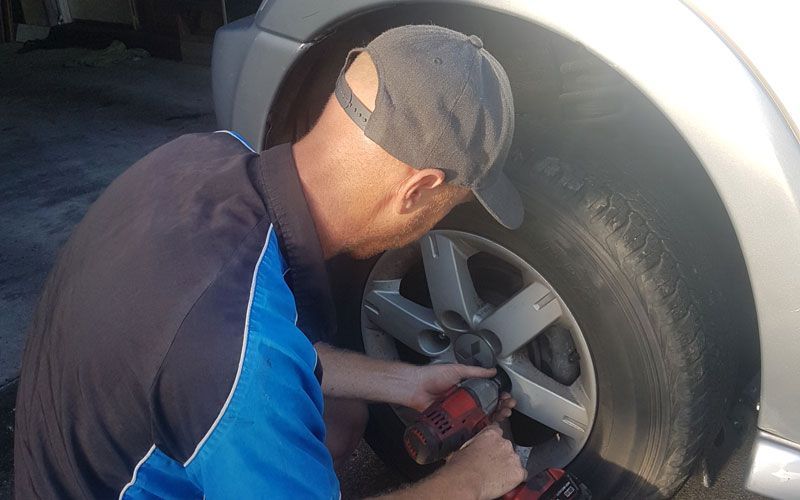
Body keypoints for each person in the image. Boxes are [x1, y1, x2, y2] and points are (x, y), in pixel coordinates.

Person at [14, 24, 527, 499]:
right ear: (417, 190)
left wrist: (403, 382)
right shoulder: (234, 355)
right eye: (446, 209)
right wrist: (468, 481)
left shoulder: (204, 156)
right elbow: (239, 363)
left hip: (66, 463)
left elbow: (252, 352)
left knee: (341, 416)